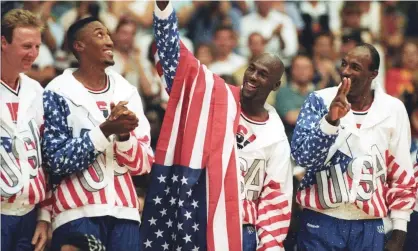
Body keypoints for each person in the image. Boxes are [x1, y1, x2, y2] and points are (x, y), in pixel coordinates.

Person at [140, 1, 293, 251]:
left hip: (244, 233)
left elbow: (274, 197)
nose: (253, 77)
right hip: (200, 226)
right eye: (252, 69)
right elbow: (178, 68)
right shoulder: (217, 97)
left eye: (263, 74)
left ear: (275, 86)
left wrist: (271, 245)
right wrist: (164, 11)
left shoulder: (276, 133)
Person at [41, 17, 154, 251]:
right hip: (76, 213)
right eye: (99, 35)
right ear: (79, 46)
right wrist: (105, 131)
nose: (109, 41)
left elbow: (143, 164)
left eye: (109, 35)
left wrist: (123, 137)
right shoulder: (57, 91)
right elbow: (55, 160)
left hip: (125, 212)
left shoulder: (126, 91)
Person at [291, 44, 416, 251]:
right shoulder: (319, 100)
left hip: (369, 222)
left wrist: (399, 230)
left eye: (355, 67)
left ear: (373, 74)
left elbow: (401, 173)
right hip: (320, 219)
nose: (346, 71)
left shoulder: (393, 109)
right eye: (344, 64)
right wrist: (330, 122)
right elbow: (303, 158)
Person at [1, 9, 50, 251]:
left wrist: (44, 216)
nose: (33, 54)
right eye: (26, 46)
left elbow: (45, 158)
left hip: (29, 215)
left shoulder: (37, 91)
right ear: (3, 42)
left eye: (37, 47)